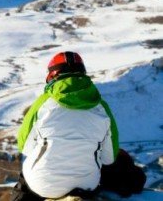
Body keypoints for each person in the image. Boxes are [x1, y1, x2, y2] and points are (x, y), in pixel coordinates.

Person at [12, 51, 145, 200]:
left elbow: (24, 147)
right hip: (87, 185)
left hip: (43, 186)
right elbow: (109, 158)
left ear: (51, 76)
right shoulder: (101, 106)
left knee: (28, 174)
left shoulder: (43, 102)